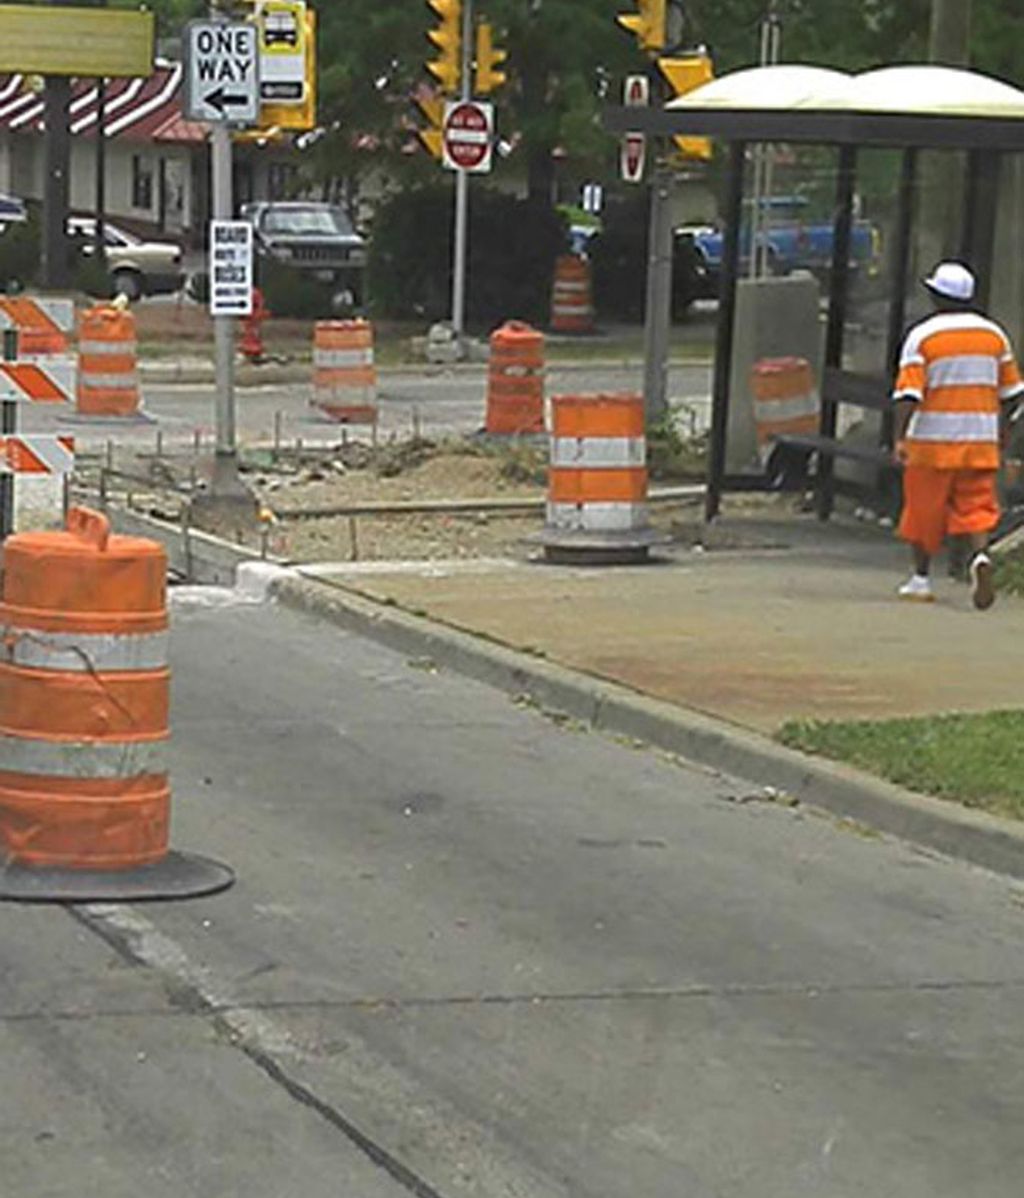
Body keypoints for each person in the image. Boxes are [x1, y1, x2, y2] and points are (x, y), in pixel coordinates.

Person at [892, 261, 1024, 608]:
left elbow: (909, 394)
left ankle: (920, 579)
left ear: (936, 296)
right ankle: (980, 556)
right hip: (980, 439)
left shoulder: (923, 336)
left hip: (931, 442)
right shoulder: (995, 336)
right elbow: (1012, 394)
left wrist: (900, 437)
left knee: (923, 510)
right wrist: (1003, 430)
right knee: (977, 505)